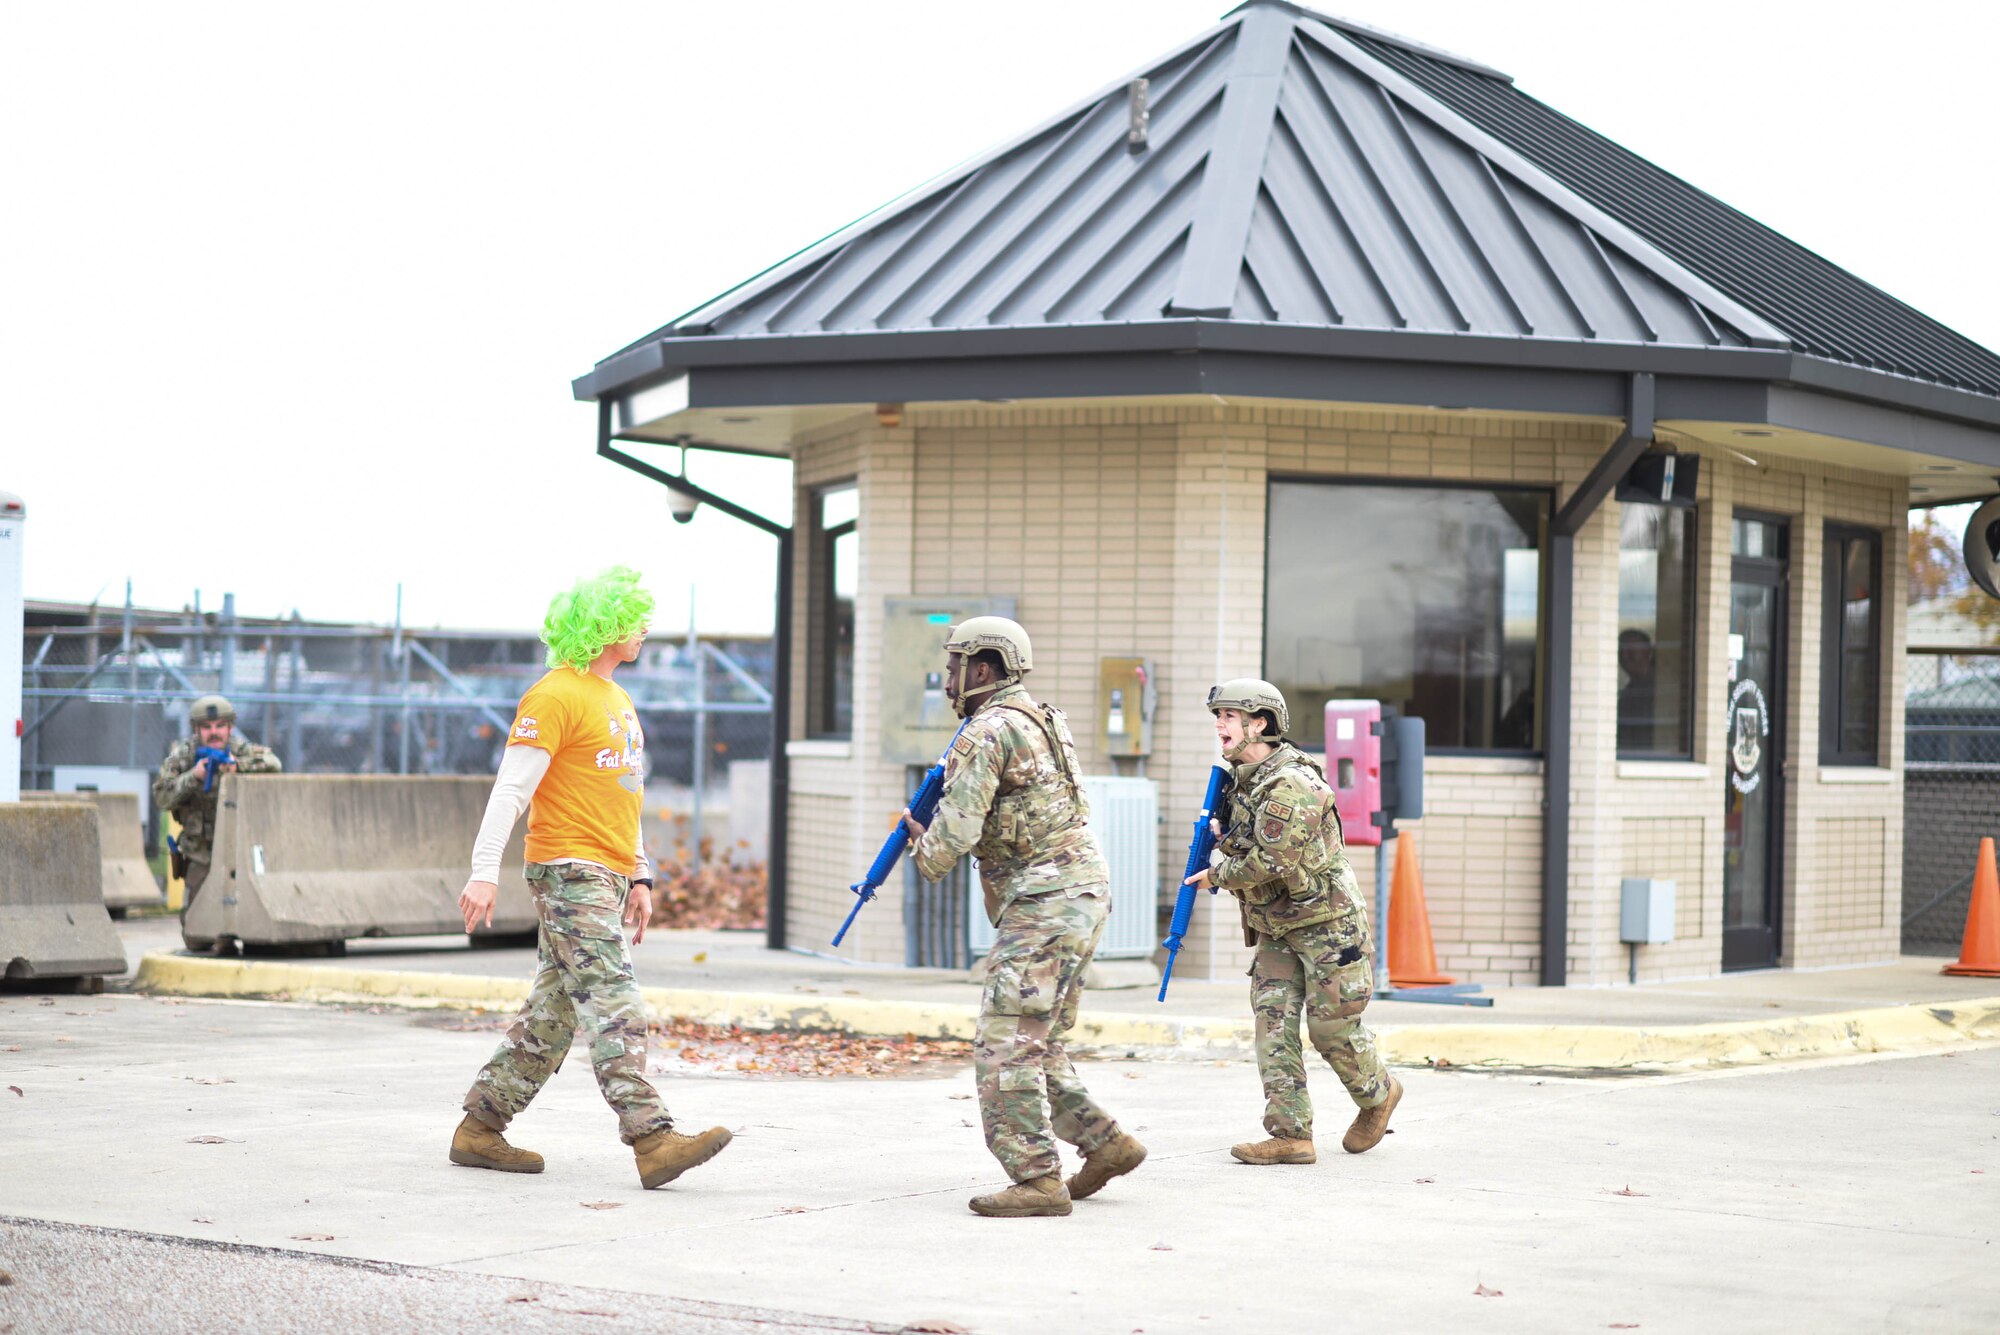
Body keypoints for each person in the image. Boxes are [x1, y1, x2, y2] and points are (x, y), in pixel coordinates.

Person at [451, 566, 731, 1190]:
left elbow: (621, 794)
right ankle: (652, 1140)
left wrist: (639, 875)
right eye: (634, 620)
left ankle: (480, 1129)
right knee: (614, 999)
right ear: (605, 627)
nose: (645, 630)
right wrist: (482, 872)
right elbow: (510, 790)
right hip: (568, 869)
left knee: (554, 1010)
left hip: (605, 872)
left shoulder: (617, 700)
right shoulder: (554, 695)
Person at [902, 616, 1144, 1217]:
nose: (949, 678)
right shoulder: (1045, 718)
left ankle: (1037, 1178)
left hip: (1042, 904)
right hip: (1082, 894)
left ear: (984, 668)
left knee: (1004, 1043)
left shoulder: (985, 732)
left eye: (956, 665)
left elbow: (954, 832)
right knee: (1039, 1042)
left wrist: (921, 849)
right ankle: (1105, 1144)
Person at [1182, 678, 1402, 1164]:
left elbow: (1274, 860)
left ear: (1259, 724)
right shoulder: (1242, 777)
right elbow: (1247, 842)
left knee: (1332, 1030)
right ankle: (1291, 1135)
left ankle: (1378, 1094)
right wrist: (1219, 836)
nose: (1219, 725)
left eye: (1229, 717)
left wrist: (1217, 874)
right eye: (1217, 716)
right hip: (1278, 923)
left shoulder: (1291, 783)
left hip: (1328, 925)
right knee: (1273, 1023)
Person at [152, 694, 282, 908]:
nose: (214, 732)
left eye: (220, 726)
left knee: (241, 912)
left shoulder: (240, 751)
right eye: (207, 727)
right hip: (199, 853)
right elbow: (162, 798)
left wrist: (237, 767)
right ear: (196, 730)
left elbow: (274, 764)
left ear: (230, 728)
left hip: (238, 849)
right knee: (196, 932)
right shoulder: (183, 757)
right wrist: (194, 776)